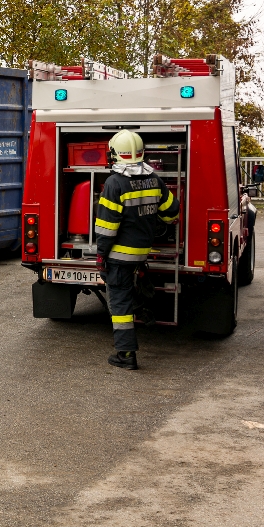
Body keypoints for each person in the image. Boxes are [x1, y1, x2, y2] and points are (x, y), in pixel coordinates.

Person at [94, 130, 180, 370]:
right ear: (141, 153)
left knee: (119, 303)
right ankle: (144, 317)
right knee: (129, 294)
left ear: (114, 154)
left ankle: (126, 354)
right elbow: (172, 212)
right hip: (141, 252)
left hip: (118, 255)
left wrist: (101, 255)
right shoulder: (154, 180)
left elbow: (107, 227)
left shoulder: (114, 183)